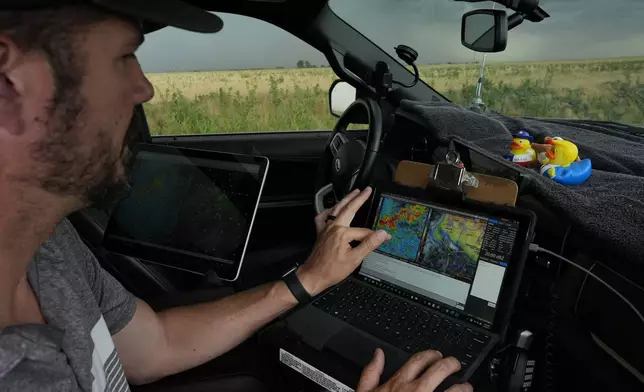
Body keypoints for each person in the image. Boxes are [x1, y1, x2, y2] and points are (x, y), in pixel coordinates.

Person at [0, 1, 471, 391]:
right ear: (10, 84)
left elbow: (156, 346)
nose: (144, 88)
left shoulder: (48, 244)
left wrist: (305, 280)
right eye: (124, 57)